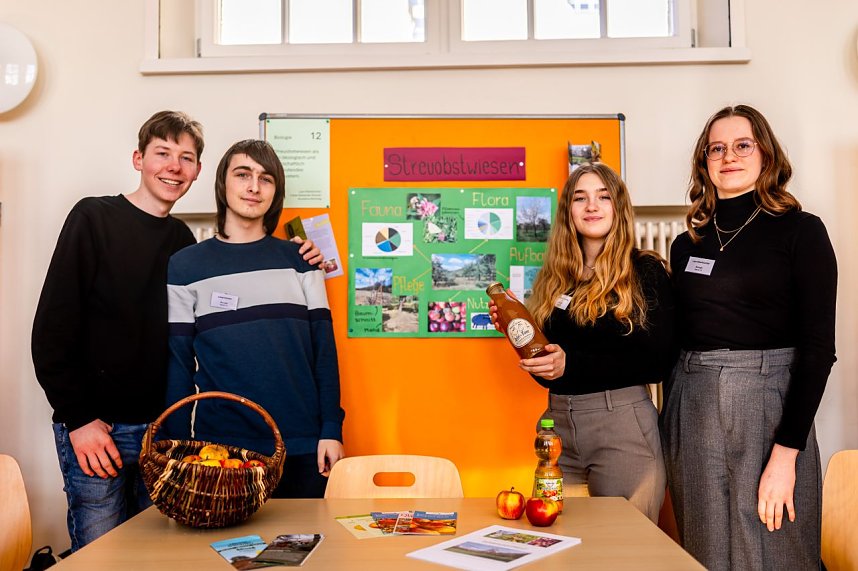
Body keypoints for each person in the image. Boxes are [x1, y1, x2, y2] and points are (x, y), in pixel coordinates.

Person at [31, 111, 321, 551]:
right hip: (98, 428)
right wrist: (79, 418)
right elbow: (52, 329)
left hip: (165, 433)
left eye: (186, 158)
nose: (174, 166)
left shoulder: (184, 245)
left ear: (199, 172)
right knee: (101, 552)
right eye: (162, 153)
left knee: (164, 554)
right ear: (138, 158)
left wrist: (302, 252)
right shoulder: (93, 217)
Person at [662, 104, 837, 570]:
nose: (729, 156)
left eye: (742, 145)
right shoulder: (687, 245)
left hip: (768, 402)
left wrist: (786, 454)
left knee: (778, 548)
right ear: (704, 162)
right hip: (692, 401)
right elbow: (670, 342)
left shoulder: (802, 231)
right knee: (705, 553)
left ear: (766, 154)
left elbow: (818, 351)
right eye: (715, 148)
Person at [490, 162, 675, 522]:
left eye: (603, 197)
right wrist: (521, 335)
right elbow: (552, 374)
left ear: (618, 208)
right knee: (553, 544)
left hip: (621, 428)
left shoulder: (646, 271)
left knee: (622, 552)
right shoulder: (555, 282)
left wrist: (570, 363)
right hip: (557, 428)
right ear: (568, 212)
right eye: (580, 198)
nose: (591, 206)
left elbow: (658, 361)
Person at [164, 139, 344, 498]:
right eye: (243, 174)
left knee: (309, 550)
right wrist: (177, 447)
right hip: (221, 450)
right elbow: (178, 365)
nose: (253, 187)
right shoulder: (185, 266)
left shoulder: (301, 261)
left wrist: (331, 431)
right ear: (223, 184)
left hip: (303, 444)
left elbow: (323, 353)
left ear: (275, 192)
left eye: (266, 178)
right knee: (223, 554)